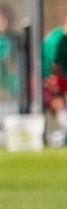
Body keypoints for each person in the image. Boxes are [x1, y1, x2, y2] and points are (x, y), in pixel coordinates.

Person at [41, 9, 67, 146]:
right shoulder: (58, 41)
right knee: (60, 103)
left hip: (58, 82)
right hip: (43, 83)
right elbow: (54, 70)